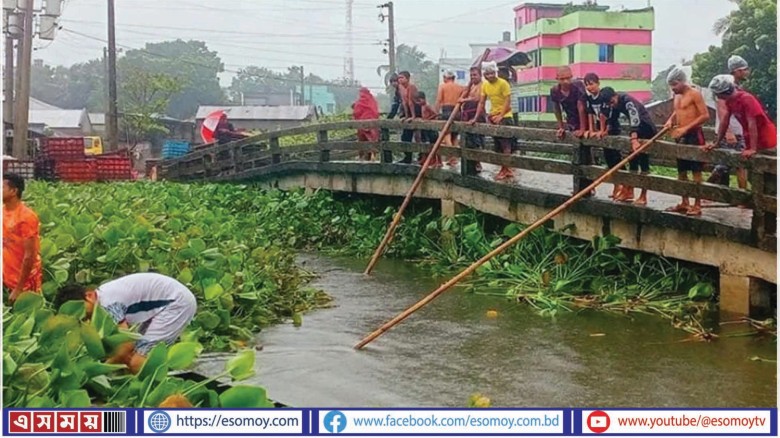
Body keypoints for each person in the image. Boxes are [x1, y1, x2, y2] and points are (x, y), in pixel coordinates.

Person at [53, 273, 197, 374]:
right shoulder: (101, 298)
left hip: (176, 303)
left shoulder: (108, 304)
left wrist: (100, 370)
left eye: (80, 309)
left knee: (138, 362)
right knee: (131, 359)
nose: (82, 317)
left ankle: (156, 401)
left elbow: (126, 345)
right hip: (161, 305)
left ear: (89, 296)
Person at [662, 67, 710, 216]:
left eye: (674, 85)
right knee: (681, 170)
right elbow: (678, 111)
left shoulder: (694, 94)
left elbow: (705, 115)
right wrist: (670, 120)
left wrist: (686, 128)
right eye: (671, 86)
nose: (673, 88)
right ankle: (684, 201)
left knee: (696, 171)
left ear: (681, 82)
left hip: (693, 135)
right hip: (680, 135)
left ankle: (697, 204)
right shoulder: (677, 96)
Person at [600, 87, 657, 206]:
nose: (612, 105)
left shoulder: (627, 101)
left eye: (611, 102)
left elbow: (635, 119)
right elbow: (612, 117)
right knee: (632, 161)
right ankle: (629, 191)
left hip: (645, 128)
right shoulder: (615, 103)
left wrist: (634, 138)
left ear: (615, 96)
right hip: (636, 130)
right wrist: (606, 130)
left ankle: (643, 195)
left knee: (643, 162)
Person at [707, 74, 776, 159]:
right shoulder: (730, 101)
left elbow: (752, 123)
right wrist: (717, 143)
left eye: (717, 94)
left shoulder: (746, 99)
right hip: (750, 139)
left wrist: (753, 148)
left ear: (723, 92)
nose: (717, 96)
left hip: (765, 138)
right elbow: (724, 122)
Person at [471, 61, 516, 181]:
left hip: (505, 116)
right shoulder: (485, 85)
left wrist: (501, 115)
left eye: (492, 73)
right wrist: (476, 118)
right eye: (487, 74)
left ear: (495, 72)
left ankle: (504, 169)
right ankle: (506, 169)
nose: (490, 76)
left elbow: (508, 102)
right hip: (492, 115)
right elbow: (481, 102)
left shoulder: (503, 83)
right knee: (498, 145)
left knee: (506, 144)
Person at [582, 73, 624, 199]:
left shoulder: (604, 96)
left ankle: (621, 186)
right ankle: (617, 186)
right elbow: (590, 114)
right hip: (601, 127)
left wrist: (603, 130)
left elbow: (604, 115)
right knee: (609, 158)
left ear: (598, 83)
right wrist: (591, 130)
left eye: (592, 84)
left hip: (612, 128)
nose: (590, 87)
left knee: (616, 158)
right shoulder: (589, 98)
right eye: (587, 85)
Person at [2, 173, 42, 302]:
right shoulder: (2, 211)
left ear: (14, 191)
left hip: (24, 283)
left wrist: (19, 288)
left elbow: (29, 256)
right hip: (6, 276)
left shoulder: (26, 217)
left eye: (2, 187)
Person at [707, 74, 747, 190]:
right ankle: (710, 189)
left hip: (739, 132)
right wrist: (728, 132)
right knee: (723, 165)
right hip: (729, 133)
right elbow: (723, 113)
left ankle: (742, 194)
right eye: (742, 70)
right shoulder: (723, 93)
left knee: (741, 164)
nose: (745, 72)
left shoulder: (739, 92)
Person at [459, 66, 485, 174]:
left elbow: (478, 98)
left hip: (477, 114)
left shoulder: (482, 85)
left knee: (476, 141)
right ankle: (470, 163)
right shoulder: (471, 86)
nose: (473, 77)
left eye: (475, 75)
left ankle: (477, 162)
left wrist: (464, 99)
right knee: (467, 141)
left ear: (480, 75)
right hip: (467, 114)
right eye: (471, 75)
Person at [550, 66, 587, 139]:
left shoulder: (578, 86)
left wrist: (582, 129)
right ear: (557, 79)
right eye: (562, 79)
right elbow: (556, 109)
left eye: (568, 78)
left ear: (571, 77)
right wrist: (561, 127)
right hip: (571, 120)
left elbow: (581, 107)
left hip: (586, 119)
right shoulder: (554, 90)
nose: (566, 81)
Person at [435, 70, 464, 157]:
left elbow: (439, 100)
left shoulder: (442, 87)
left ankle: (452, 157)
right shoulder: (460, 88)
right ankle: (454, 157)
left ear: (445, 78)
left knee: (446, 134)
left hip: (447, 110)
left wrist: (436, 113)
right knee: (455, 135)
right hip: (457, 111)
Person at [414, 91, 443, 167]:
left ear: (423, 99)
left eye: (419, 101)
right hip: (425, 128)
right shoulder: (422, 106)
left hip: (431, 128)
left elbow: (435, 114)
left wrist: (428, 119)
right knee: (426, 143)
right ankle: (427, 159)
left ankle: (439, 161)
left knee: (434, 144)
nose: (418, 103)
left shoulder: (427, 105)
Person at [397, 71, 420, 164]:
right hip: (408, 111)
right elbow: (404, 102)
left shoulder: (412, 87)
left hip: (417, 109)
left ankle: (421, 156)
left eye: (402, 77)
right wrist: (406, 116)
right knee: (405, 137)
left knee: (418, 136)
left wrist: (413, 116)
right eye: (399, 78)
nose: (400, 80)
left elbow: (411, 102)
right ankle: (407, 157)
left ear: (407, 78)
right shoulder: (400, 87)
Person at [352, 87, 380, 161]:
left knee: (362, 140)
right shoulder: (373, 101)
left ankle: (361, 157)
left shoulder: (359, 101)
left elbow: (356, 113)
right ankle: (373, 156)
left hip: (362, 123)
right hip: (373, 123)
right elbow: (376, 111)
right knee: (372, 139)